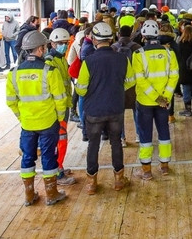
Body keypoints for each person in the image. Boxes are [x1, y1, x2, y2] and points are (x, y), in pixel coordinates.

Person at [6, 30, 69, 206]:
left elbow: (11, 101)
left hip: (27, 123)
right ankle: (51, 194)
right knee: (49, 156)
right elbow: (60, 99)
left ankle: (29, 195)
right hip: (49, 122)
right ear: (40, 49)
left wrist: (22, 117)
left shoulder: (14, 73)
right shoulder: (50, 71)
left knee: (27, 157)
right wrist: (59, 118)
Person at [75, 22, 135, 195]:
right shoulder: (122, 59)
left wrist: (92, 90)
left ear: (94, 40)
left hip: (94, 110)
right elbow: (131, 81)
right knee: (116, 142)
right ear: (111, 39)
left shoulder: (89, 61)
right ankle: (118, 180)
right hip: (116, 108)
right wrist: (116, 89)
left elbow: (81, 89)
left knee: (93, 144)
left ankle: (91, 183)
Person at [132, 20, 179, 179]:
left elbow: (140, 79)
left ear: (143, 36)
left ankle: (146, 171)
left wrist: (155, 97)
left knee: (145, 135)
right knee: (164, 131)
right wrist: (165, 96)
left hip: (145, 101)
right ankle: (164, 166)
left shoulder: (138, 55)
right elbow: (174, 76)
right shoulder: (169, 53)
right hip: (164, 102)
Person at [44, 28, 76, 186]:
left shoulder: (61, 59)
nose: (63, 46)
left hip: (63, 105)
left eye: (65, 43)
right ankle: (57, 172)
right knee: (59, 140)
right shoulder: (50, 61)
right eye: (60, 43)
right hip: (57, 109)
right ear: (52, 44)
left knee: (62, 139)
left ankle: (59, 166)